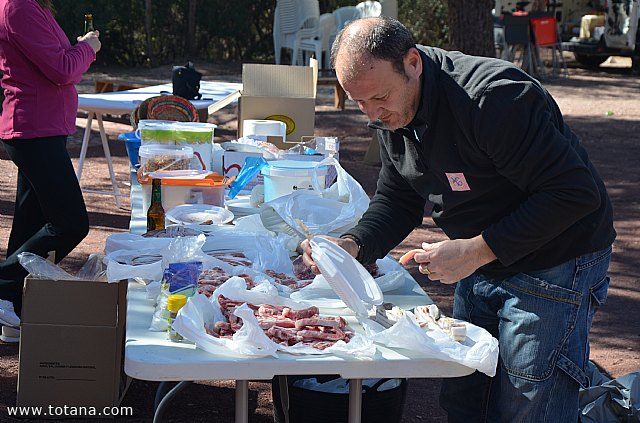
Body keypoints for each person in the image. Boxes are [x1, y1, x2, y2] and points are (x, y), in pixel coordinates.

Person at [300, 16, 616, 422]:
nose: (373, 114)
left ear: (412, 62)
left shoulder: (492, 98)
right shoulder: (393, 107)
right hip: (482, 252)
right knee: (467, 390)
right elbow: (398, 197)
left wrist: (479, 250)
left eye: (379, 98)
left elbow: (574, 193)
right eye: (359, 102)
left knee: (530, 399)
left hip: (556, 256)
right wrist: (353, 244)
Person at [0, 0, 101, 342]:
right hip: (34, 131)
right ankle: (3, 287)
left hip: (43, 130)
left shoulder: (33, 7)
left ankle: (12, 309)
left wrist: (80, 49)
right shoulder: (19, 7)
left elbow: (59, 64)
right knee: (70, 223)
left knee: (30, 224)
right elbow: (62, 70)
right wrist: (86, 48)